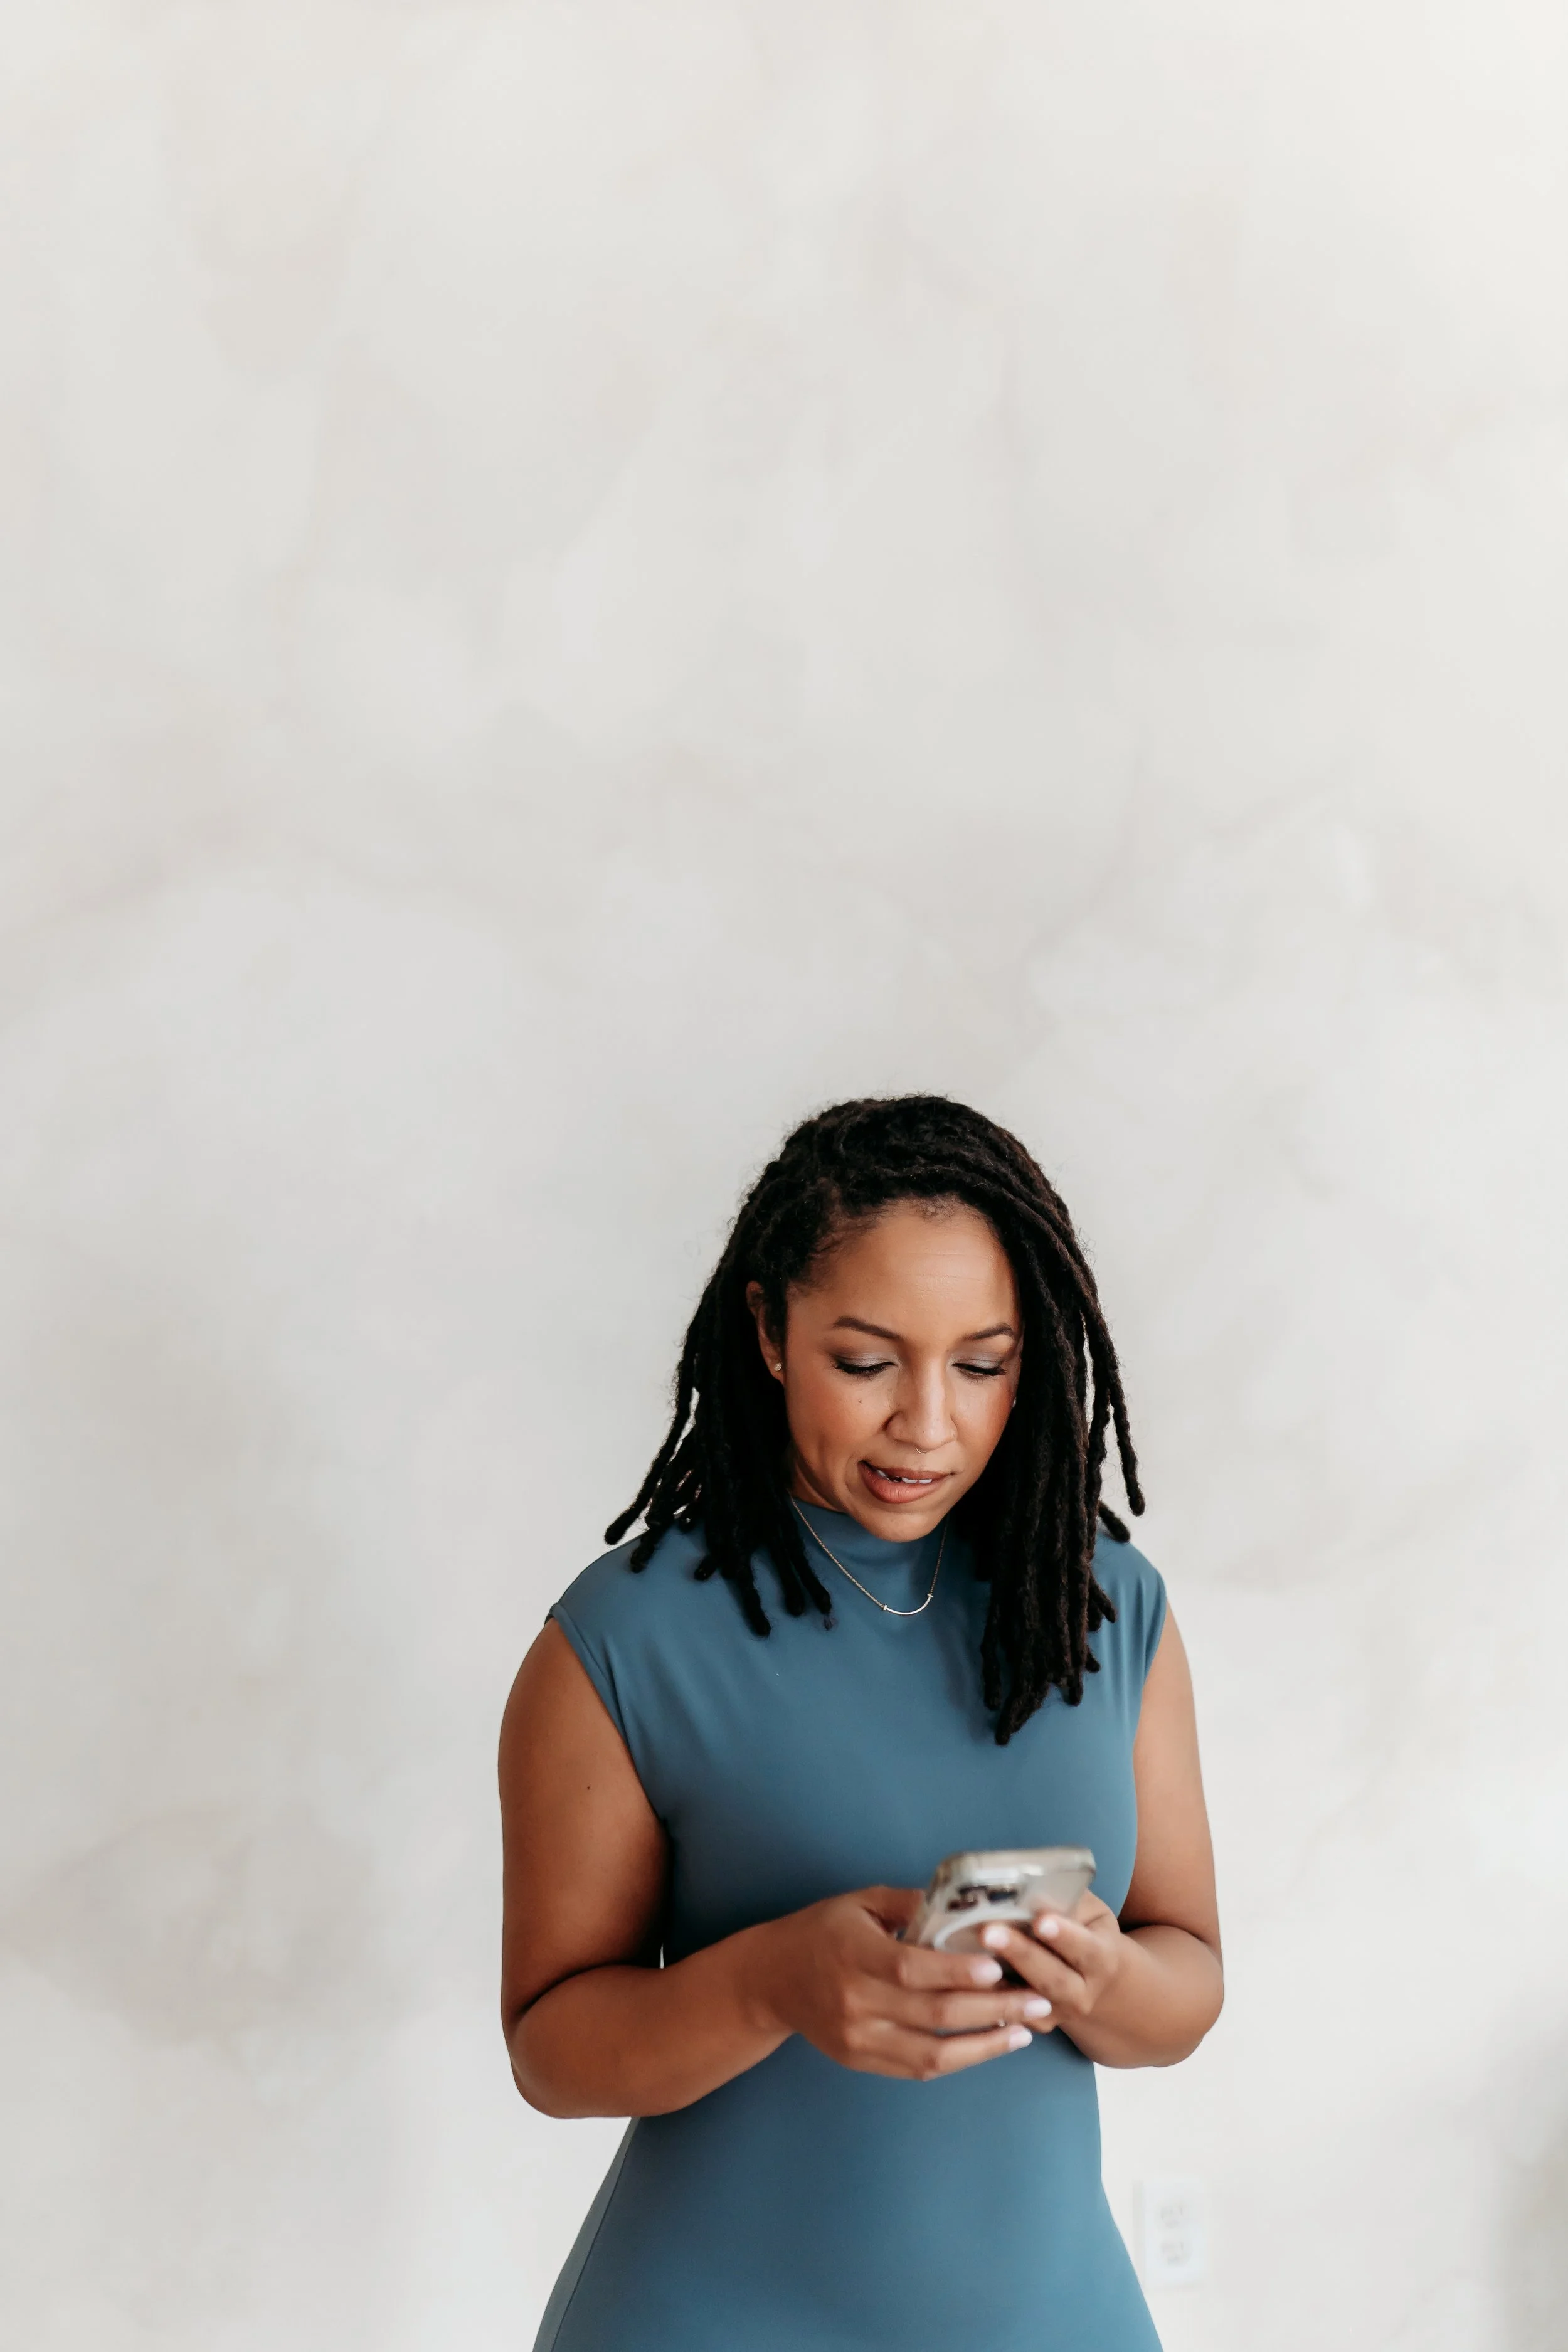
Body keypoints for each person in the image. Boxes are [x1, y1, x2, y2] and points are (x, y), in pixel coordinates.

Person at [499, 1095, 1222, 2351]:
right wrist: (773, 1981)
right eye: (865, 1360)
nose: (925, 1423)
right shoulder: (617, 1643)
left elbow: (1189, 1978)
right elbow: (551, 2052)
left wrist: (1105, 1980)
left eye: (981, 1363)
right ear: (770, 1330)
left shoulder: (1104, 1607)